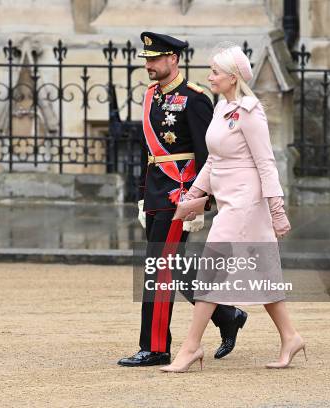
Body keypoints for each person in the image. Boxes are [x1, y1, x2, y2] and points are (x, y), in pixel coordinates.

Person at [160, 43, 305, 373]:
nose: (209, 76)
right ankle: (291, 337)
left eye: (215, 72)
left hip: (247, 202)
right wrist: (195, 193)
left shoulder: (250, 111)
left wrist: (277, 210)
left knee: (210, 271)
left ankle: (190, 347)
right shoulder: (221, 108)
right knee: (263, 275)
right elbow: (214, 159)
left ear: (232, 77)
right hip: (228, 199)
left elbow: (266, 163)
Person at [118, 33, 248, 368]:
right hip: (157, 192)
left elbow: (208, 155)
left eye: (155, 59)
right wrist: (141, 196)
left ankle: (156, 346)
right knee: (168, 267)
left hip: (181, 194)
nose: (148, 65)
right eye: (146, 59)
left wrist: (200, 200)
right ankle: (226, 314)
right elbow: (147, 153)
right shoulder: (151, 96)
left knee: (159, 268)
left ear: (173, 58)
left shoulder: (195, 98)